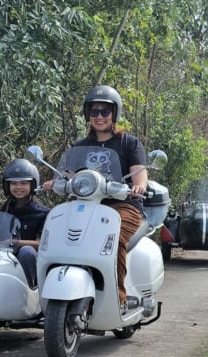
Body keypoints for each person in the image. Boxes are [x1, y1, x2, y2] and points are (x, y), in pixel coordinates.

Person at [42, 85, 147, 313]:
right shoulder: (80, 147)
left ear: (114, 114)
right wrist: (55, 182)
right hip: (85, 206)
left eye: (105, 112)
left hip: (122, 205)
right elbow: (66, 174)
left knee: (113, 239)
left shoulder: (128, 143)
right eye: (94, 112)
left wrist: (138, 185)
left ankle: (118, 297)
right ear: (87, 115)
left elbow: (139, 173)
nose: (99, 117)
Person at [0, 159, 50, 288]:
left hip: (32, 262)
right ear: (7, 186)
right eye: (14, 183)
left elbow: (42, 244)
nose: (18, 187)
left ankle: (29, 292)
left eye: (23, 183)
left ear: (32, 185)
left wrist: (16, 243)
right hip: (5, 257)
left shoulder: (43, 213)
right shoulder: (4, 210)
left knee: (27, 251)